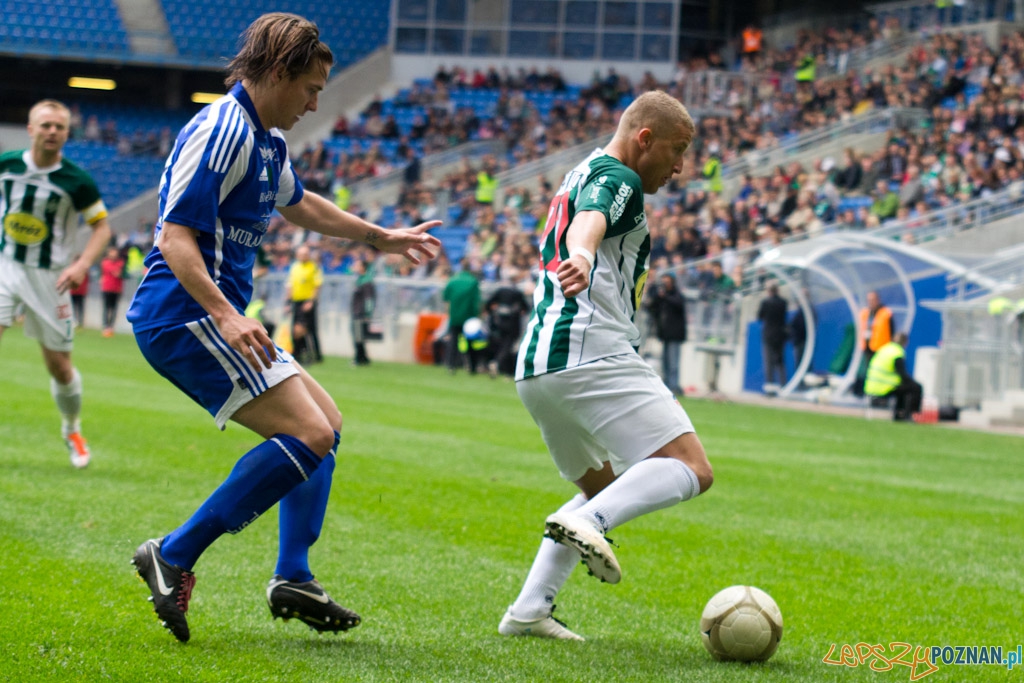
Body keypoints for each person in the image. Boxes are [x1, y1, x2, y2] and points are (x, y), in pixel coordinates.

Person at [125, 13, 440, 643]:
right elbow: (174, 236)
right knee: (309, 431)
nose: (316, 102)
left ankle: (292, 573)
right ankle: (175, 553)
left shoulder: (265, 139)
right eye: (310, 89)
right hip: (183, 313)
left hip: (204, 314)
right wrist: (225, 313)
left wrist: (378, 237)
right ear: (275, 74)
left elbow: (300, 203)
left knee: (327, 426)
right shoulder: (224, 130)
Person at [499, 91, 713, 641]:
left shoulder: (580, 170)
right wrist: (586, 255)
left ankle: (528, 611)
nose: (681, 166)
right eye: (678, 149)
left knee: (602, 488)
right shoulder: (621, 178)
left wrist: (583, 251)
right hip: (591, 350)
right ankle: (589, 523)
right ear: (646, 139)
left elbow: (584, 215)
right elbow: (590, 222)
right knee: (691, 467)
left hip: (539, 364)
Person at [0, 99, 112, 468]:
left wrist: (82, 263)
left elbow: (102, 227)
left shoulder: (76, 181)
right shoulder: (8, 165)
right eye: (45, 125)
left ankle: (72, 428)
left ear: (67, 133)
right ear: (31, 129)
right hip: (6, 267)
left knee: (60, 367)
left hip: (52, 279)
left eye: (59, 127)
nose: (52, 132)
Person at [645, 272, 687, 395]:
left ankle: (674, 385)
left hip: (675, 334)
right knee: (666, 362)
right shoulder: (661, 297)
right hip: (665, 334)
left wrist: (665, 297)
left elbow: (679, 304)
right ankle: (667, 384)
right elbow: (651, 306)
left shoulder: (676, 294)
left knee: (673, 362)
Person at [864, 332, 922, 420]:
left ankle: (899, 414)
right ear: (905, 342)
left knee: (903, 388)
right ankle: (910, 415)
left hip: (871, 386)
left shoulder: (885, 348)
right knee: (915, 387)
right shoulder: (897, 353)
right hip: (884, 387)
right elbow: (903, 375)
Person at [485, 269, 530, 378]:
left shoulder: (501, 291)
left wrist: (492, 313)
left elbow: (488, 303)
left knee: (502, 344)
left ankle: (500, 366)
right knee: (508, 345)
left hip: (500, 321)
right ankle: (497, 363)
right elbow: (526, 308)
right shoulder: (517, 293)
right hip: (512, 322)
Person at [442, 258, 482, 374]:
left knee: (453, 341)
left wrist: (449, 314)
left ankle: (450, 365)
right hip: (469, 317)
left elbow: (446, 299)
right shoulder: (473, 282)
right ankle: (472, 367)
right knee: (471, 342)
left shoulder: (452, 281)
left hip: (454, 316)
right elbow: (476, 302)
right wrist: (477, 316)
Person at [287, 244, 323, 364]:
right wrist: (288, 302)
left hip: (308, 301)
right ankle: (300, 353)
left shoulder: (313, 267)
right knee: (296, 329)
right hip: (296, 301)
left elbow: (317, 285)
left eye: (305, 254)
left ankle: (315, 355)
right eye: (301, 254)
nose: (303, 256)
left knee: (309, 330)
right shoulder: (294, 267)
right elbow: (290, 285)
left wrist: (311, 301)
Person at [853, 290, 893, 395]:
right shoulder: (865, 313)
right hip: (865, 347)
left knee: (876, 372)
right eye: (869, 300)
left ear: (878, 300)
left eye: (873, 300)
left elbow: (891, 331)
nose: (871, 302)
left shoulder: (885, 313)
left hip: (879, 348)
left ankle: (875, 394)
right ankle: (858, 393)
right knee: (862, 371)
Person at [757, 282, 788, 392]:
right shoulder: (783, 302)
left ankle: (769, 386)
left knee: (768, 361)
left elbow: (760, 316)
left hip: (769, 334)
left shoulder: (766, 302)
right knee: (780, 361)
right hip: (780, 334)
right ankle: (783, 385)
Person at [350, 258, 376, 366]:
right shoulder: (360, 279)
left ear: (363, 267)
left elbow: (369, 299)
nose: (355, 267)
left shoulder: (366, 282)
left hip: (360, 313)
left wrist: (368, 314)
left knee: (359, 336)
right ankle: (363, 358)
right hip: (357, 312)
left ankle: (359, 358)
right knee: (358, 335)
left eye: (357, 265)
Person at [99, 245, 126, 337]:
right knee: (106, 308)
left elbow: (120, 274)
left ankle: (111, 327)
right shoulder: (105, 262)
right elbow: (114, 272)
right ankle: (105, 326)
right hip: (107, 288)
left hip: (117, 289)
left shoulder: (120, 262)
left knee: (114, 308)